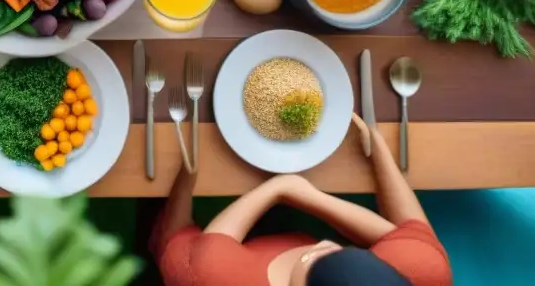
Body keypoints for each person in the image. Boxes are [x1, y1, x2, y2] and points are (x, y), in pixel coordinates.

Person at [152, 114, 451, 285]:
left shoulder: (212, 275)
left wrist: (185, 179)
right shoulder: (424, 275)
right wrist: (379, 152)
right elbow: (410, 233)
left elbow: (173, 236)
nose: (324, 245)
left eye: (314, 258)